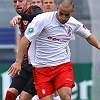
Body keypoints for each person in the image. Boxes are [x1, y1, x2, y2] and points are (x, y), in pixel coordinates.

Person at [8, 0, 100, 100]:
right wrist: (18, 62)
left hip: (62, 66)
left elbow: (88, 35)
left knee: (66, 96)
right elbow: (25, 39)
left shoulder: (74, 23)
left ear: (72, 12)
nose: (63, 18)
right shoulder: (42, 19)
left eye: (67, 15)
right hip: (41, 68)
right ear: (57, 8)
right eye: (61, 14)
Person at [4, 0, 42, 100]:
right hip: (26, 64)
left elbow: (39, 16)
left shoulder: (34, 10)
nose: (17, 4)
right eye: (15, 1)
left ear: (28, 1)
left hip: (39, 66)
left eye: (20, 1)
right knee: (10, 94)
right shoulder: (21, 17)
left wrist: (21, 17)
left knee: (24, 97)